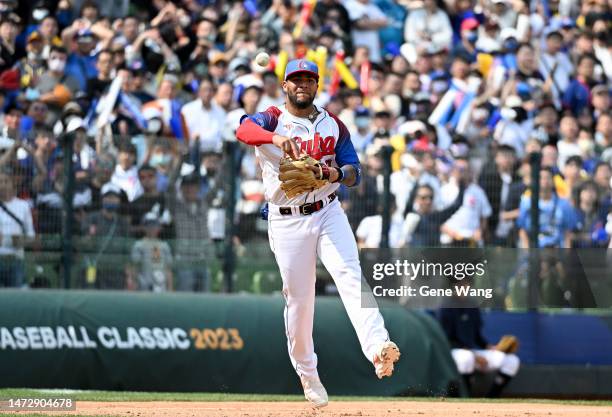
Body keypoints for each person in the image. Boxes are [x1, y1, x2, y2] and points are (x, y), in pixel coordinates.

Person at [235, 59, 400, 408]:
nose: (302, 85)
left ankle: (378, 347)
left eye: (308, 79)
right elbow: (244, 131)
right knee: (300, 300)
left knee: (351, 275)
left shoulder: (333, 124)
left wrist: (333, 174)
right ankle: (308, 375)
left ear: (317, 85)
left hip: (327, 211)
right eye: (295, 80)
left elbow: (354, 171)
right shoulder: (271, 118)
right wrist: (278, 138)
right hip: (286, 219)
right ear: (284, 85)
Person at [438, 300, 521, 397]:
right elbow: (446, 340)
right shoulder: (445, 309)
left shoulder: (472, 309)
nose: (463, 288)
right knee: (466, 357)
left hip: (472, 352)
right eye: (459, 285)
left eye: (466, 285)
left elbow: (477, 338)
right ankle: (464, 396)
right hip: (453, 352)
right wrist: (474, 356)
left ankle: (491, 397)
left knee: (511, 360)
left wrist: (491, 347)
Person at [0, 172, 35, 287]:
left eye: (6, 181)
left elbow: (31, 235)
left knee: (16, 295)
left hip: (16, 259)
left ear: (12, 184)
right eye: (0, 182)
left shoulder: (23, 205)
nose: (3, 185)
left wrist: (21, 241)